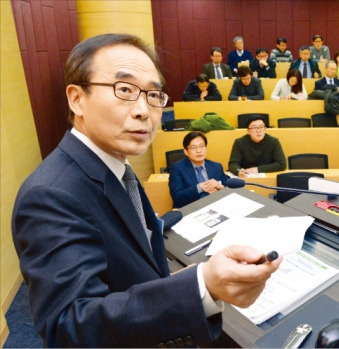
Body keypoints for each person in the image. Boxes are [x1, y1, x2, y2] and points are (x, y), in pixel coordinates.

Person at [11, 33, 282, 348]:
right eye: (124, 90)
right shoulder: (50, 194)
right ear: (77, 99)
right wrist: (199, 285)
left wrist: (173, 285)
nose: (144, 110)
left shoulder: (117, 168)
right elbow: (68, 327)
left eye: (154, 94)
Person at [169, 132, 229, 208]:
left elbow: (230, 186)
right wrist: (199, 187)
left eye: (201, 146)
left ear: (206, 148)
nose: (199, 151)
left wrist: (220, 186)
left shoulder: (216, 166)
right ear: (186, 151)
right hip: (190, 209)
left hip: (215, 207)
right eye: (194, 147)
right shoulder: (177, 168)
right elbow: (177, 196)